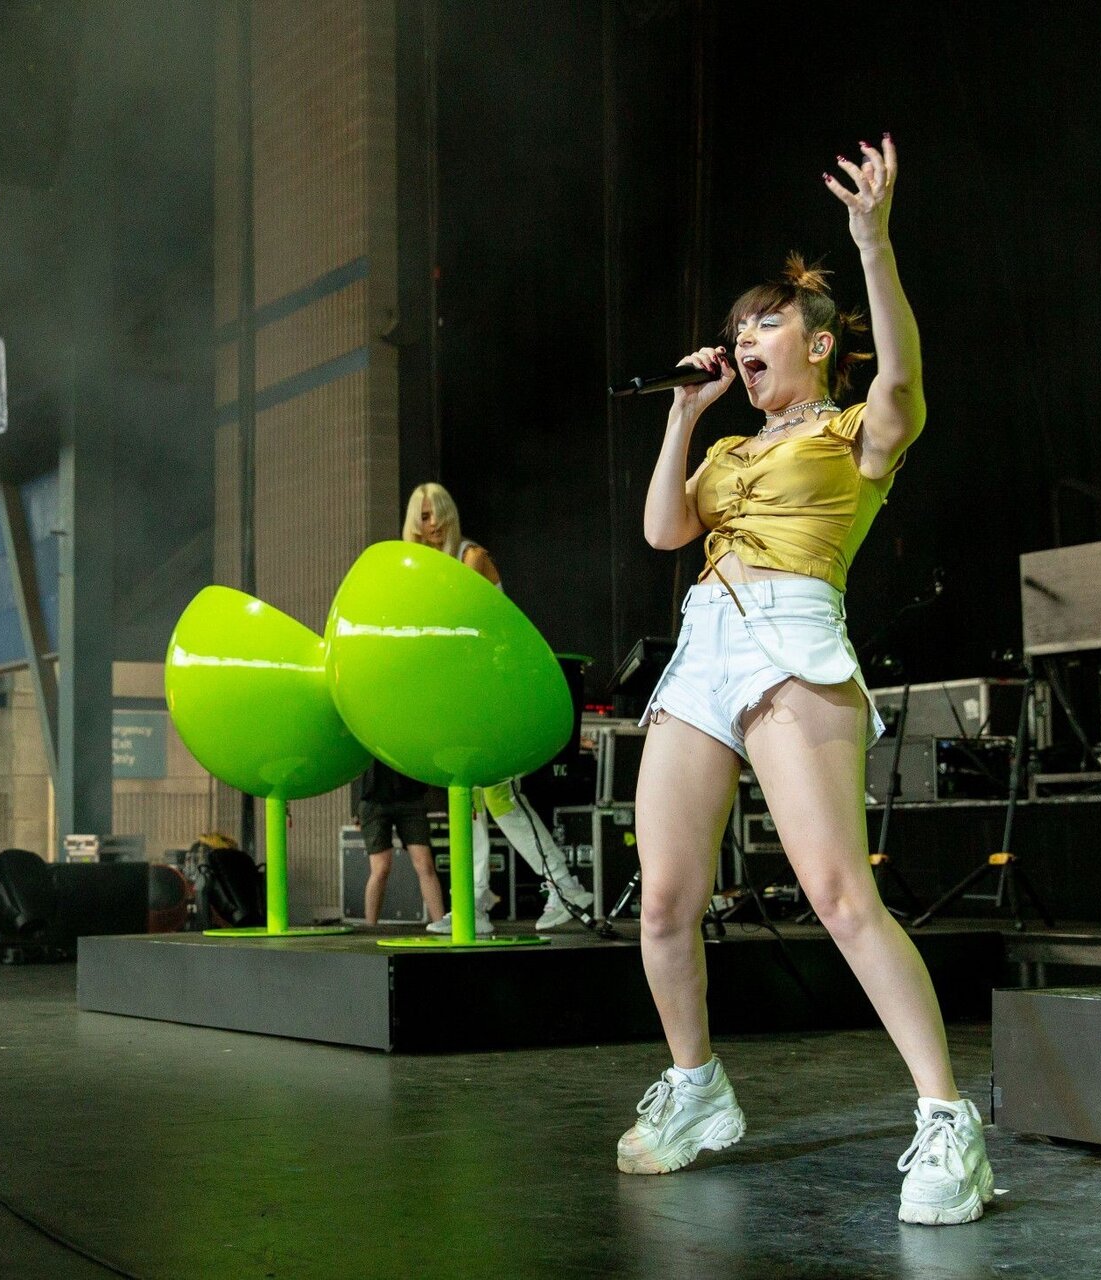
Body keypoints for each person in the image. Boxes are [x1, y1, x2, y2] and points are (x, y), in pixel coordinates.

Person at [621, 135, 993, 1224]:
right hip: (703, 645)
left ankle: (948, 1120)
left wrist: (873, 241)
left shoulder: (851, 433)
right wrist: (684, 414)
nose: (743, 338)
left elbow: (903, 380)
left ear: (819, 345)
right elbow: (663, 531)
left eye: (765, 325)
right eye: (737, 328)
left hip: (792, 636)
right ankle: (696, 1088)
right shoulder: (727, 451)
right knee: (663, 903)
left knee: (838, 894)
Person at [401, 482, 599, 933]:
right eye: (422, 516)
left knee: (498, 795)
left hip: (492, 695)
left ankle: (563, 889)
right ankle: (476, 901)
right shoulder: (426, 569)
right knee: (467, 797)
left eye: (436, 513)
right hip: (462, 698)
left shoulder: (470, 558)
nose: (430, 524)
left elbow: (472, 626)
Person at [354, 760, 446, 926]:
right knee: (380, 868)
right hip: (374, 798)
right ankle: (371, 926)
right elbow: (354, 766)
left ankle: (441, 924)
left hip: (410, 797)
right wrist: (355, 808)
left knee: (425, 864)